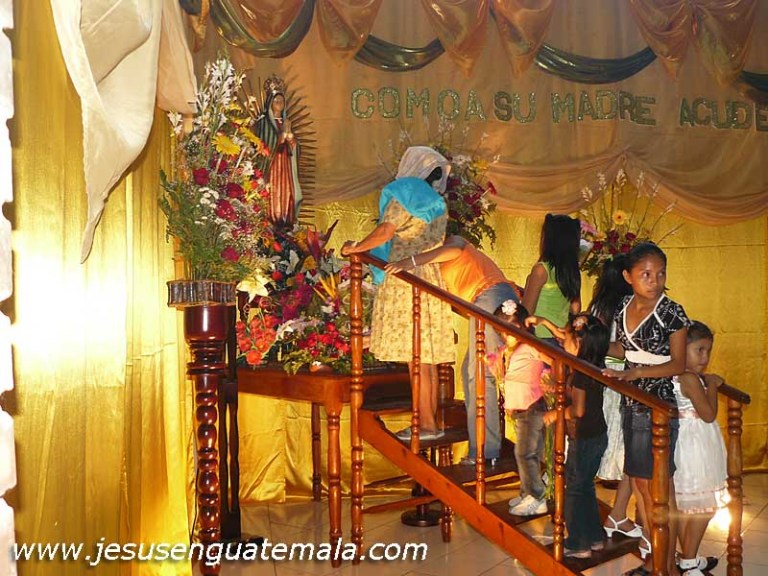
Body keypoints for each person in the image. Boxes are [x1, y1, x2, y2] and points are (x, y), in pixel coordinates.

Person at [342, 146, 454, 440]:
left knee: (416, 358)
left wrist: (356, 248)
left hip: (406, 278)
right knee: (426, 358)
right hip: (430, 277)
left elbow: (386, 231)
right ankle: (430, 423)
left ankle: (424, 424)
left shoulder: (406, 190)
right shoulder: (437, 200)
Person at [385, 235, 521, 464]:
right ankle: (485, 448)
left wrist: (412, 261)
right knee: (473, 373)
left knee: (479, 376)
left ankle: (484, 451)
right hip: (491, 299)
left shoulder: (452, 243)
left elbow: (455, 249)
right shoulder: (436, 261)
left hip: (490, 298)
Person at [603, 242, 690, 576]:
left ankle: (665, 564)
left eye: (660, 274)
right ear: (628, 276)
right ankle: (659, 559)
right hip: (632, 403)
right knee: (642, 485)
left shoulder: (672, 312)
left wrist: (636, 373)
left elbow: (678, 364)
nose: (655, 281)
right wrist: (592, 344)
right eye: (646, 274)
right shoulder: (623, 306)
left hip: (658, 406)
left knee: (658, 490)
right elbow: (624, 349)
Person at [589, 255, 648, 540]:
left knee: (629, 456)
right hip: (621, 382)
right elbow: (623, 348)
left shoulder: (598, 307)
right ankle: (622, 515)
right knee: (631, 455)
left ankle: (618, 514)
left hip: (602, 381)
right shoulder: (628, 308)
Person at [542, 314, 610, 558]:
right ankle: (594, 537)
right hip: (595, 435)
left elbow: (578, 410)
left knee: (573, 488)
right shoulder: (592, 366)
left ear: (579, 344)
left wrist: (556, 414)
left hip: (584, 438)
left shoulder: (581, 373)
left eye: (567, 338)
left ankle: (578, 543)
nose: (563, 342)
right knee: (585, 488)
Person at [673, 321, 726, 576]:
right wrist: (712, 385)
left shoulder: (675, 373)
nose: (704, 358)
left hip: (691, 442)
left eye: (708, 351)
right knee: (703, 507)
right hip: (695, 446)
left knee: (689, 506)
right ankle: (688, 560)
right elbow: (708, 414)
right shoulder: (689, 379)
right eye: (699, 350)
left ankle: (689, 557)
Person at [496, 299, 553, 516]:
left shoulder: (531, 346)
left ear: (524, 326)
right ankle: (527, 492)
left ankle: (536, 497)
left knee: (525, 454)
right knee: (527, 453)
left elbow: (554, 359)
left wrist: (554, 379)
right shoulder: (510, 350)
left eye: (512, 328)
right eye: (502, 329)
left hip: (532, 408)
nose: (506, 334)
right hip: (522, 411)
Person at [522, 214, 582, 344]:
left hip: (540, 336)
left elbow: (526, 311)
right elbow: (575, 308)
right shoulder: (571, 270)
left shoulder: (542, 270)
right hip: (562, 338)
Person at [257, 75, 302, 226]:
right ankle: (270, 221)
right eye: (276, 101)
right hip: (272, 167)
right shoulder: (263, 123)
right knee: (273, 194)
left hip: (286, 166)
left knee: (287, 192)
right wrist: (280, 139)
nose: (280, 104)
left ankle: (286, 220)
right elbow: (261, 146)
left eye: (282, 101)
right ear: (270, 102)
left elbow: (296, 149)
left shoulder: (286, 122)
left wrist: (291, 139)